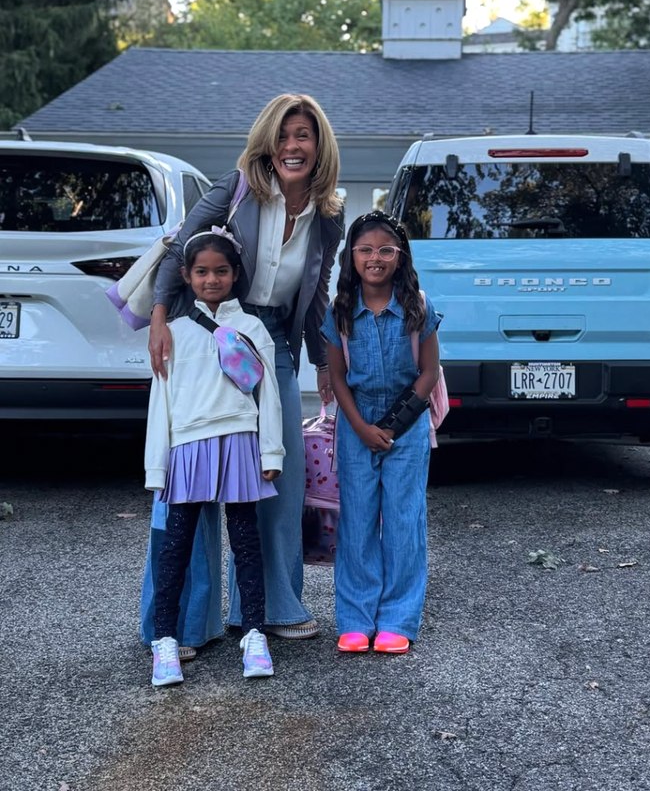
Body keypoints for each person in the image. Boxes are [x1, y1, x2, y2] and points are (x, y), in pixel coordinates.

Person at [143, 93, 343, 645]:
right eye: (282, 136)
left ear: (319, 145)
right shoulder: (235, 190)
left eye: (302, 135)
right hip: (205, 330)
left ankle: (274, 608)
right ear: (266, 143)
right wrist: (159, 317)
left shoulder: (328, 215)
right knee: (190, 476)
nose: (291, 146)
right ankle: (187, 624)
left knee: (278, 476)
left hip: (271, 339)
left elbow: (316, 292)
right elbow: (178, 252)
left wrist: (322, 362)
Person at [145, 230, 283, 687]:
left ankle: (255, 635)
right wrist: (156, 466)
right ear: (186, 275)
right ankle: (165, 640)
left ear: (235, 274)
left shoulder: (253, 329)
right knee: (175, 548)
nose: (211, 279)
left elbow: (269, 395)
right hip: (187, 447)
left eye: (220, 271)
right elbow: (161, 402)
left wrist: (271, 450)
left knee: (246, 542)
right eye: (201, 272)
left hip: (241, 441)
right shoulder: (172, 333)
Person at [320, 211, 441, 655]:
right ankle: (355, 619)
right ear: (351, 256)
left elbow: (429, 372)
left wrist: (391, 426)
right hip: (356, 423)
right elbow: (337, 377)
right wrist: (360, 427)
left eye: (386, 250)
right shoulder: (340, 312)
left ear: (400, 256)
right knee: (357, 522)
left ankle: (397, 619)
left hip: (406, 423)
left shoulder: (418, 307)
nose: (376, 258)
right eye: (366, 250)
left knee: (405, 520)